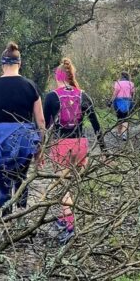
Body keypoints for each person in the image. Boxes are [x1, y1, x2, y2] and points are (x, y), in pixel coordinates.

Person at [0, 41, 45, 214]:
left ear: (2, 65)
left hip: (0, 139)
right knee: (22, 179)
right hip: (25, 139)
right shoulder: (31, 86)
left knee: (3, 182)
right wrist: (40, 146)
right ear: (19, 63)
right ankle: (21, 218)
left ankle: (6, 220)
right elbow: (41, 120)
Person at [42, 58, 105, 243]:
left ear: (58, 77)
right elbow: (96, 125)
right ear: (71, 76)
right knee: (72, 185)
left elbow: (44, 126)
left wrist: (39, 150)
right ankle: (64, 218)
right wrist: (105, 151)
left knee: (64, 188)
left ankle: (70, 227)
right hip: (80, 145)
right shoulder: (83, 95)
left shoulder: (52, 97)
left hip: (62, 145)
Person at [112, 71, 136, 139]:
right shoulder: (131, 84)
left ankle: (118, 133)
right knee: (126, 118)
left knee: (119, 117)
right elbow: (133, 93)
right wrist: (132, 101)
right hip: (128, 101)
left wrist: (111, 101)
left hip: (118, 102)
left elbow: (115, 93)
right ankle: (124, 134)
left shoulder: (117, 83)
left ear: (121, 77)